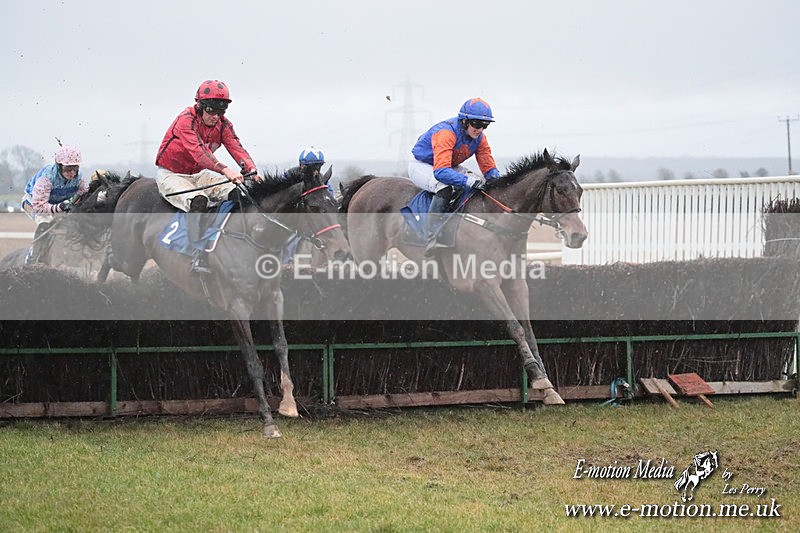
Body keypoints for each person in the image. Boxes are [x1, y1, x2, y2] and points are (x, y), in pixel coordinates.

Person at [154, 79, 263, 275]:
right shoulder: (185, 120)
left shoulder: (223, 124)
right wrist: (225, 170)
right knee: (199, 200)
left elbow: (236, 147)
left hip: (199, 175)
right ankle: (197, 256)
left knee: (241, 194)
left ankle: (231, 244)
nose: (215, 117)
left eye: (220, 112)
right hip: (171, 175)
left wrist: (252, 170)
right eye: (211, 111)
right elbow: (199, 153)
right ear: (200, 106)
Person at [408, 97, 502, 254]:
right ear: (464, 121)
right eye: (476, 124)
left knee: (479, 184)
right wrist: (467, 181)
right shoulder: (446, 133)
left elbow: (488, 167)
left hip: (447, 165)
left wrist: (500, 183)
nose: (479, 129)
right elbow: (441, 172)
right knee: (445, 187)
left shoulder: (480, 138)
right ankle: (432, 236)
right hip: (423, 165)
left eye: (484, 125)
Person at [21, 144, 88, 264]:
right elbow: (40, 207)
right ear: (59, 166)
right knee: (45, 222)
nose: (72, 173)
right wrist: (59, 207)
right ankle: (33, 257)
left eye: (75, 168)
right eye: (68, 169)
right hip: (34, 203)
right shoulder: (46, 178)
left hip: (58, 204)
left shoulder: (79, 178)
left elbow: (83, 194)